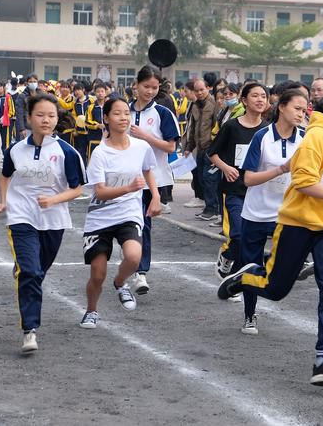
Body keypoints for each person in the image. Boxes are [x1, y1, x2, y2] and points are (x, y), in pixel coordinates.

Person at [218, 76, 323, 387]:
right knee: (276, 289)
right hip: (296, 222)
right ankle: (244, 276)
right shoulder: (315, 137)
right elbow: (304, 182)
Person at [0, 94, 85, 353]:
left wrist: (55, 199)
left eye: (51, 115)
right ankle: (29, 331)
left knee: (37, 272)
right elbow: (4, 176)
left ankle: (23, 267)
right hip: (22, 217)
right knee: (31, 272)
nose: (46, 120)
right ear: (30, 117)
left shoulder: (67, 152)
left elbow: (78, 189)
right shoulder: (15, 149)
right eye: (41, 115)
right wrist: (3, 202)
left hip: (53, 221)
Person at [79, 98, 160, 329]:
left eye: (126, 113)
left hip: (129, 213)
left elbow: (147, 169)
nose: (123, 118)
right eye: (117, 113)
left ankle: (120, 282)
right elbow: (101, 192)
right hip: (100, 218)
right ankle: (91, 310)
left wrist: (155, 195)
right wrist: (128, 188)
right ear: (106, 118)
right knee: (97, 274)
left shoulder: (141, 146)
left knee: (134, 257)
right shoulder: (100, 153)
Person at [236, 89, 308, 334]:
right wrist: (281, 169)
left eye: (304, 109)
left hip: (288, 214)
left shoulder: (306, 138)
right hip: (256, 212)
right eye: (297, 108)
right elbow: (248, 179)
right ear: (282, 108)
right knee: (249, 263)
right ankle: (249, 315)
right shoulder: (262, 137)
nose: (301, 114)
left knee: (285, 265)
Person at [127, 66, 181, 294]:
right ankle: (130, 259)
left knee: (143, 224)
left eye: (154, 87)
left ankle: (140, 272)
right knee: (127, 224)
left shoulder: (163, 113)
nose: (150, 91)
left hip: (153, 180)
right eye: (146, 86)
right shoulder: (122, 111)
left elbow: (171, 146)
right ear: (135, 86)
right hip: (124, 180)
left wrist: (146, 136)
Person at [208, 82, 269, 279]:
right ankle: (227, 256)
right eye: (255, 96)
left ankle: (234, 279)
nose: (260, 100)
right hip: (234, 190)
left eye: (263, 96)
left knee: (250, 240)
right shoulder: (231, 127)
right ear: (244, 100)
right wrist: (225, 168)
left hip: (258, 193)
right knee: (239, 235)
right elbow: (212, 153)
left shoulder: (268, 131)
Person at [183, 78, 220, 220]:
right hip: (199, 148)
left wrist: (215, 148)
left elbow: (218, 126)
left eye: (201, 90)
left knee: (210, 179)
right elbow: (192, 129)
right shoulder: (194, 106)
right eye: (196, 90)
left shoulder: (214, 104)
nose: (199, 93)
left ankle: (213, 209)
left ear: (208, 89)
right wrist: (188, 147)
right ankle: (208, 207)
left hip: (211, 148)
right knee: (202, 179)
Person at [0, 82, 16, 160]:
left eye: (0, 86)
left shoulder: (8, 97)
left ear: (4, 87)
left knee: (5, 139)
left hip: (4, 123)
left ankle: (5, 155)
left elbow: (12, 111)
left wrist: (5, 117)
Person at [85, 83, 107, 160]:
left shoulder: (109, 106)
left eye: (102, 91)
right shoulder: (91, 107)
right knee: (93, 159)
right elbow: (87, 122)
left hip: (108, 137)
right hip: (94, 137)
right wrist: (97, 125)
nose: (100, 93)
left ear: (105, 93)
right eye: (98, 91)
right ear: (95, 93)